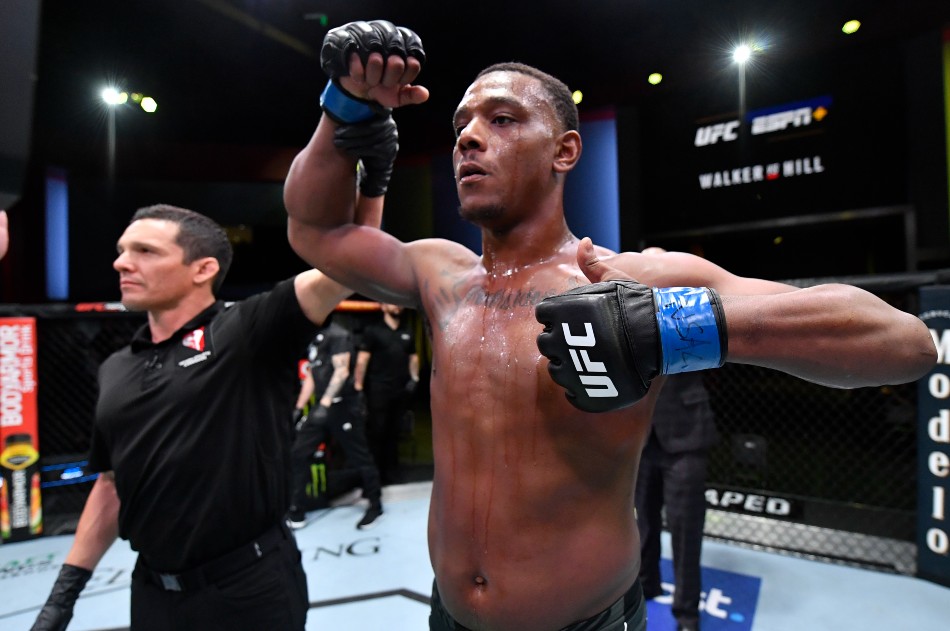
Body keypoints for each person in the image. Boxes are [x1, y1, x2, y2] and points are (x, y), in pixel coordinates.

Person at [283, 20, 937, 631]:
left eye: (502, 119)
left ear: (566, 150)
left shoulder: (634, 277)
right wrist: (345, 110)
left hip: (588, 620)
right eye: (461, 126)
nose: (468, 138)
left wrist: (680, 326)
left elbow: (904, 343)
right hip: (448, 614)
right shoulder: (439, 274)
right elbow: (315, 230)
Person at [30, 199, 380, 631]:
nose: (122, 262)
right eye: (122, 249)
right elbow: (111, 483)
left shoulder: (244, 333)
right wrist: (63, 596)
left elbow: (351, 264)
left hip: (248, 589)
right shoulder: (116, 367)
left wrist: (373, 180)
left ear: (203, 269)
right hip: (153, 593)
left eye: (146, 251)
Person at [635, 371, 717, 631]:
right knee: (644, 521)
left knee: (685, 529)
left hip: (686, 429)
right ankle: (646, 584)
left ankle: (687, 613)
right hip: (641, 432)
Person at [288, 316, 383, 530]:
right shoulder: (314, 337)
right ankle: (297, 509)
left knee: (359, 456)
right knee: (298, 453)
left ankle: (375, 505)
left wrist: (325, 403)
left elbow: (342, 371)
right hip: (321, 406)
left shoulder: (338, 335)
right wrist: (299, 407)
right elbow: (312, 374)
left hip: (343, 406)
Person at [353, 303, 420, 485]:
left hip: (399, 391)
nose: (397, 306)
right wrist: (358, 388)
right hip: (378, 390)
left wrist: (414, 378)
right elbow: (362, 360)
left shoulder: (406, 332)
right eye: (391, 303)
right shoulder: (373, 331)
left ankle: (392, 474)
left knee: (394, 433)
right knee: (377, 433)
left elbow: (413, 357)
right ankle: (376, 476)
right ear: (383, 307)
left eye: (399, 303)